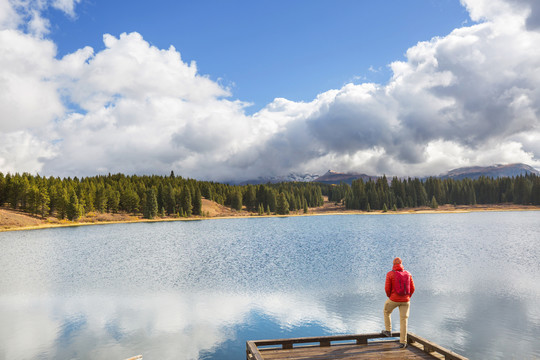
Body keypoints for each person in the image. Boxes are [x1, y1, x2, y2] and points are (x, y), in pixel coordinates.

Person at [381, 257, 415, 348]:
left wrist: (390, 297)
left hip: (394, 299)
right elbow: (412, 288)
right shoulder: (408, 273)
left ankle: (388, 330)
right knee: (404, 320)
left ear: (393, 265)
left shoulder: (390, 274)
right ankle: (403, 342)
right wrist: (407, 297)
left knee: (386, 311)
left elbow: (387, 289)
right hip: (406, 300)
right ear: (401, 264)